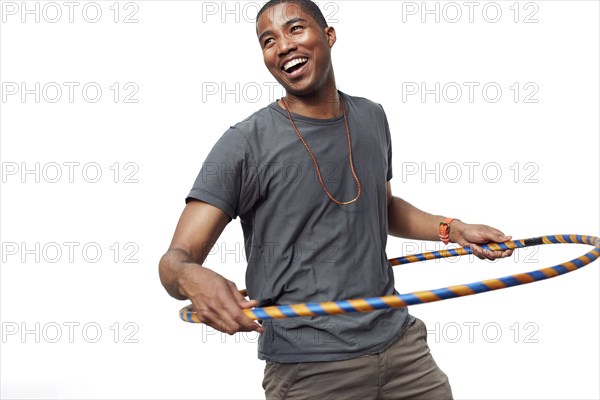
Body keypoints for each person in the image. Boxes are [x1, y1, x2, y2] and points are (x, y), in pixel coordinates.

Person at [159, 0, 513, 398]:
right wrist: (191, 278)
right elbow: (175, 260)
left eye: (295, 29)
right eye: (268, 40)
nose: (283, 46)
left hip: (402, 347)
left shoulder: (371, 116)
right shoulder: (244, 143)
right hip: (312, 368)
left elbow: (382, 207)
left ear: (328, 36)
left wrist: (453, 228)